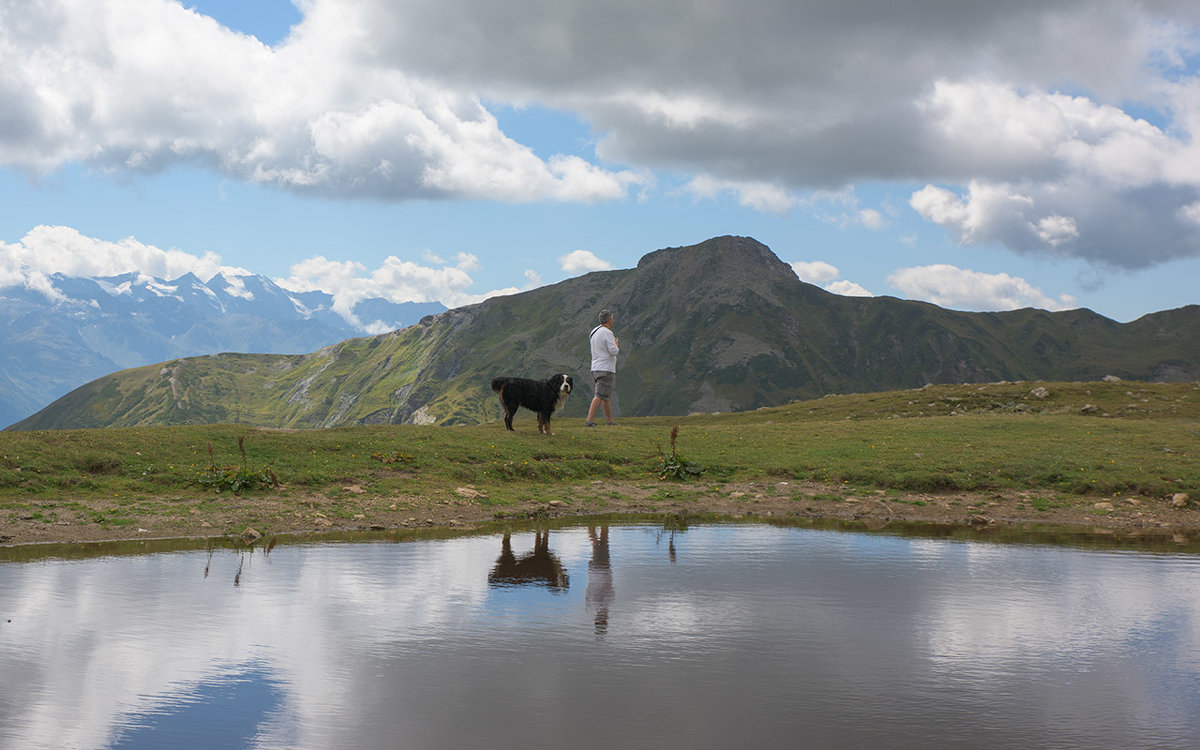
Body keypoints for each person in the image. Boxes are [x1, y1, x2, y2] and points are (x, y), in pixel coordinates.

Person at [585, 309, 619, 426]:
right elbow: (613, 351)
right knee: (600, 394)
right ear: (609, 319)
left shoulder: (594, 331)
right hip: (606, 367)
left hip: (595, 367)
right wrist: (616, 345)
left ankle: (610, 421)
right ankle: (589, 420)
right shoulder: (607, 332)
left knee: (605, 395)